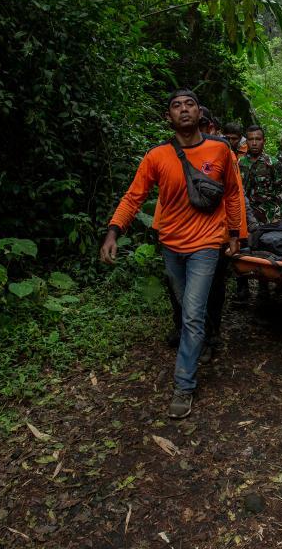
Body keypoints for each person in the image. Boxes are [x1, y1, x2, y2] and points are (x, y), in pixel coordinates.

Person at [101, 89, 244, 419]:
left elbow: (234, 195)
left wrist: (235, 235)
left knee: (192, 314)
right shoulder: (157, 157)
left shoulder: (220, 150)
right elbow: (133, 197)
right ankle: (205, 339)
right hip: (171, 246)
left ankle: (184, 385)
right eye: (176, 106)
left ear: (199, 113)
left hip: (207, 245)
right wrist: (113, 232)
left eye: (190, 104)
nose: (183, 110)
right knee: (185, 306)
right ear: (169, 117)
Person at [238, 125, 277, 223]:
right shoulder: (239, 163)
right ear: (246, 141)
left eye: (258, 139)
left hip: (267, 217)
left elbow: (280, 192)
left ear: (264, 141)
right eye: (251, 139)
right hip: (244, 216)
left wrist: (277, 216)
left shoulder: (273, 163)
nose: (254, 143)